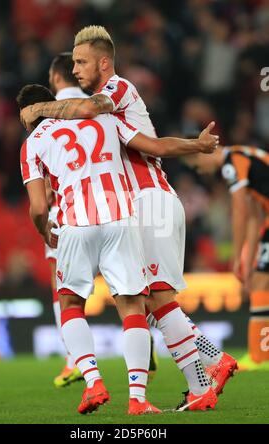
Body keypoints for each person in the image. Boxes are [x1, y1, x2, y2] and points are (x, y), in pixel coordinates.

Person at [20, 26, 228, 411]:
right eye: (74, 63)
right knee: (150, 301)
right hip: (134, 206)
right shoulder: (103, 115)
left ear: (103, 61)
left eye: (81, 62)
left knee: (154, 300)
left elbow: (87, 110)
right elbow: (157, 144)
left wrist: (38, 109)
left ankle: (212, 365)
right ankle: (203, 377)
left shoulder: (112, 93)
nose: (76, 69)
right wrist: (195, 144)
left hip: (147, 202)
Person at [17, 83, 163, 415]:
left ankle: (93, 381)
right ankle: (138, 399)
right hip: (120, 218)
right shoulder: (99, 120)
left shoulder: (32, 144)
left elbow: (39, 208)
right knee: (131, 308)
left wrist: (45, 233)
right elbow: (151, 146)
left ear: (25, 116)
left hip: (75, 224)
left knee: (70, 303)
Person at [184, 145, 269, 371]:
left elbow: (240, 211)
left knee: (261, 283)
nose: (201, 171)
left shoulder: (232, 163)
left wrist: (235, 256)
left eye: (197, 165)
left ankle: (260, 357)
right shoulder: (246, 159)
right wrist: (246, 260)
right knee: (260, 282)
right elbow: (254, 218)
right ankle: (260, 355)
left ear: (204, 153)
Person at [46, 53, 87, 388]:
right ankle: (144, 342)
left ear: (57, 77)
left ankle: (74, 360)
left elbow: (44, 177)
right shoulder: (99, 106)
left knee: (63, 290)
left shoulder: (46, 115)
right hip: (111, 207)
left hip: (67, 213)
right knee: (130, 290)